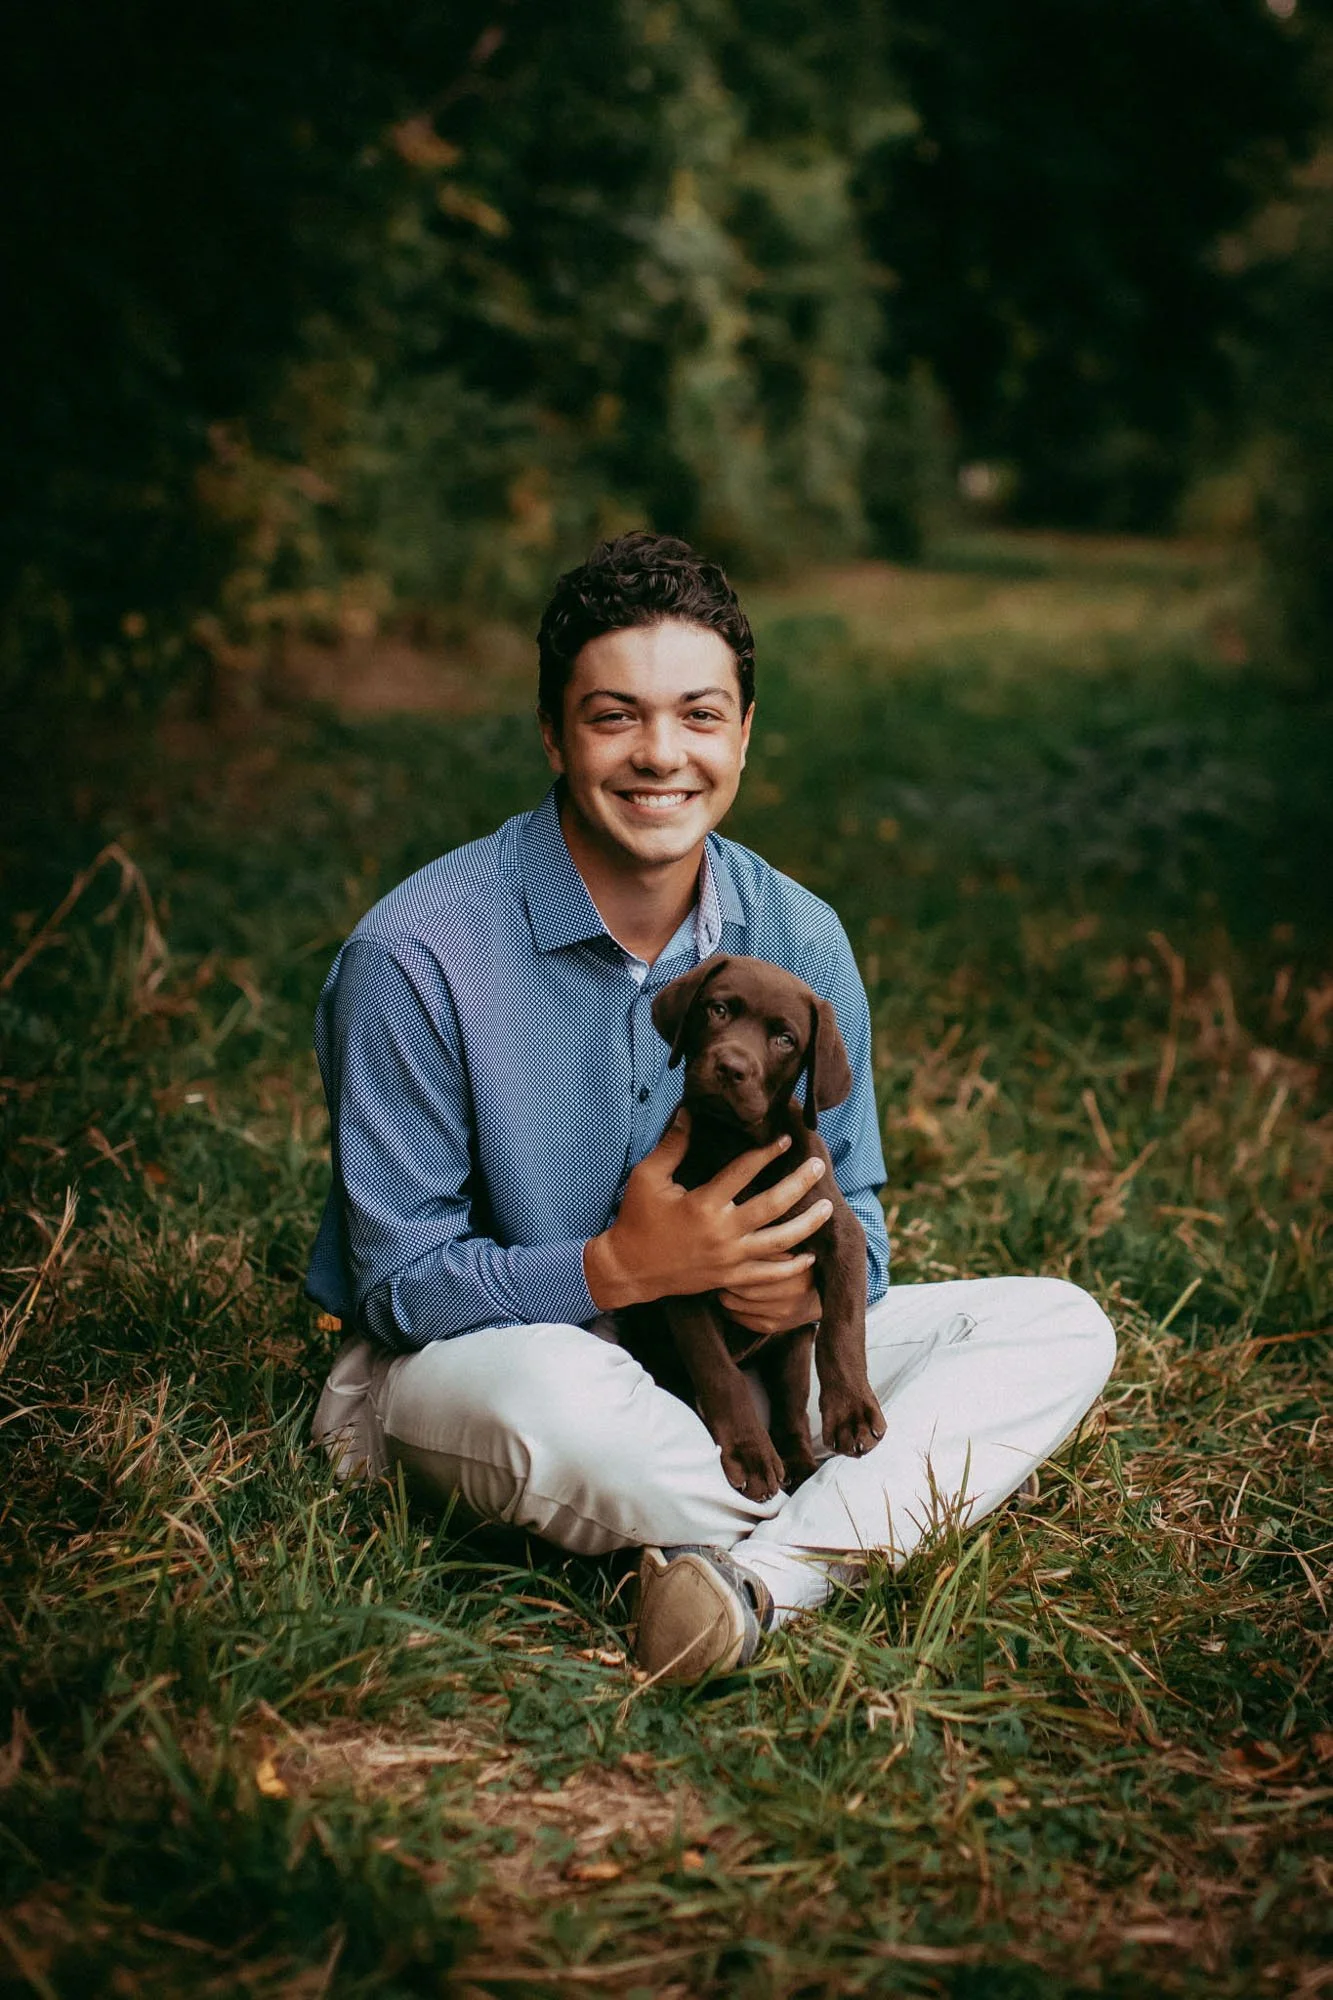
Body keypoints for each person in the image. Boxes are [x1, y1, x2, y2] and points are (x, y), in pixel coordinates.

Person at [307, 531, 1115, 1683]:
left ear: (741, 733)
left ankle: (745, 1580)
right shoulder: (416, 955)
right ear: (552, 733)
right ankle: (845, 1527)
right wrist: (620, 1268)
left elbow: (862, 1216)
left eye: (697, 714)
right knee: (567, 1400)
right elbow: (397, 1284)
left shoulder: (802, 941)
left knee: (1056, 1326)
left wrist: (784, 1281)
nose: (659, 754)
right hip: (497, 1360)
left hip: (748, 1356)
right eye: (611, 715)